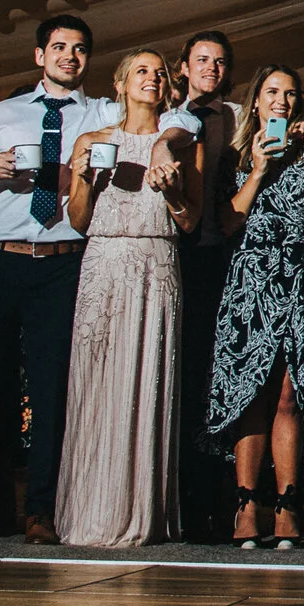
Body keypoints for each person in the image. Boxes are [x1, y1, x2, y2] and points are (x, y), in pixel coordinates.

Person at [0, 16, 117, 545]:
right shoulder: (3, 113)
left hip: (63, 260)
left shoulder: (105, 112)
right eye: (59, 47)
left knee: (54, 387)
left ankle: (42, 511)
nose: (69, 57)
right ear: (39, 56)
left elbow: (157, 118)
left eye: (79, 49)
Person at [53, 49, 194, 546]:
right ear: (119, 84)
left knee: (146, 381)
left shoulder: (179, 143)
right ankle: (92, 510)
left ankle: (140, 512)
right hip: (104, 263)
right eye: (142, 71)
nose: (152, 79)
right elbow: (77, 220)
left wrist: (173, 191)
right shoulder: (92, 141)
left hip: (156, 265)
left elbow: (189, 219)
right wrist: (86, 181)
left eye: (159, 73)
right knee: (97, 381)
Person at [206, 66, 304, 550]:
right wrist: (259, 168)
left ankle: (287, 504)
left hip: (302, 280)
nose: (282, 101)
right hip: (250, 281)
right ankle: (246, 504)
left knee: (289, 394)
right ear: (255, 101)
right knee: (251, 393)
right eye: (272, 93)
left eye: (290, 94)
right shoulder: (235, 154)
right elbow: (224, 224)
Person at [173, 30, 240, 541]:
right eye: (202, 60)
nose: (210, 68)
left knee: (206, 376)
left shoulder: (235, 118)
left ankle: (207, 502)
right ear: (182, 67)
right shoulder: (159, 112)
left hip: (212, 257)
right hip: (161, 252)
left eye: (219, 62)